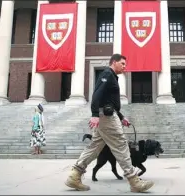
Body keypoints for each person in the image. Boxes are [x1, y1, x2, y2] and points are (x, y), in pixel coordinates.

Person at [65, 54, 154, 193]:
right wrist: (95, 114)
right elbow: (97, 94)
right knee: (121, 144)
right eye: (122, 63)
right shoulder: (107, 74)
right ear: (114, 62)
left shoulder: (112, 76)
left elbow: (109, 101)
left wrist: (121, 116)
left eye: (125, 64)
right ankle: (134, 181)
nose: (125, 67)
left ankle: (74, 175)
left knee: (95, 145)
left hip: (108, 114)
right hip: (106, 117)